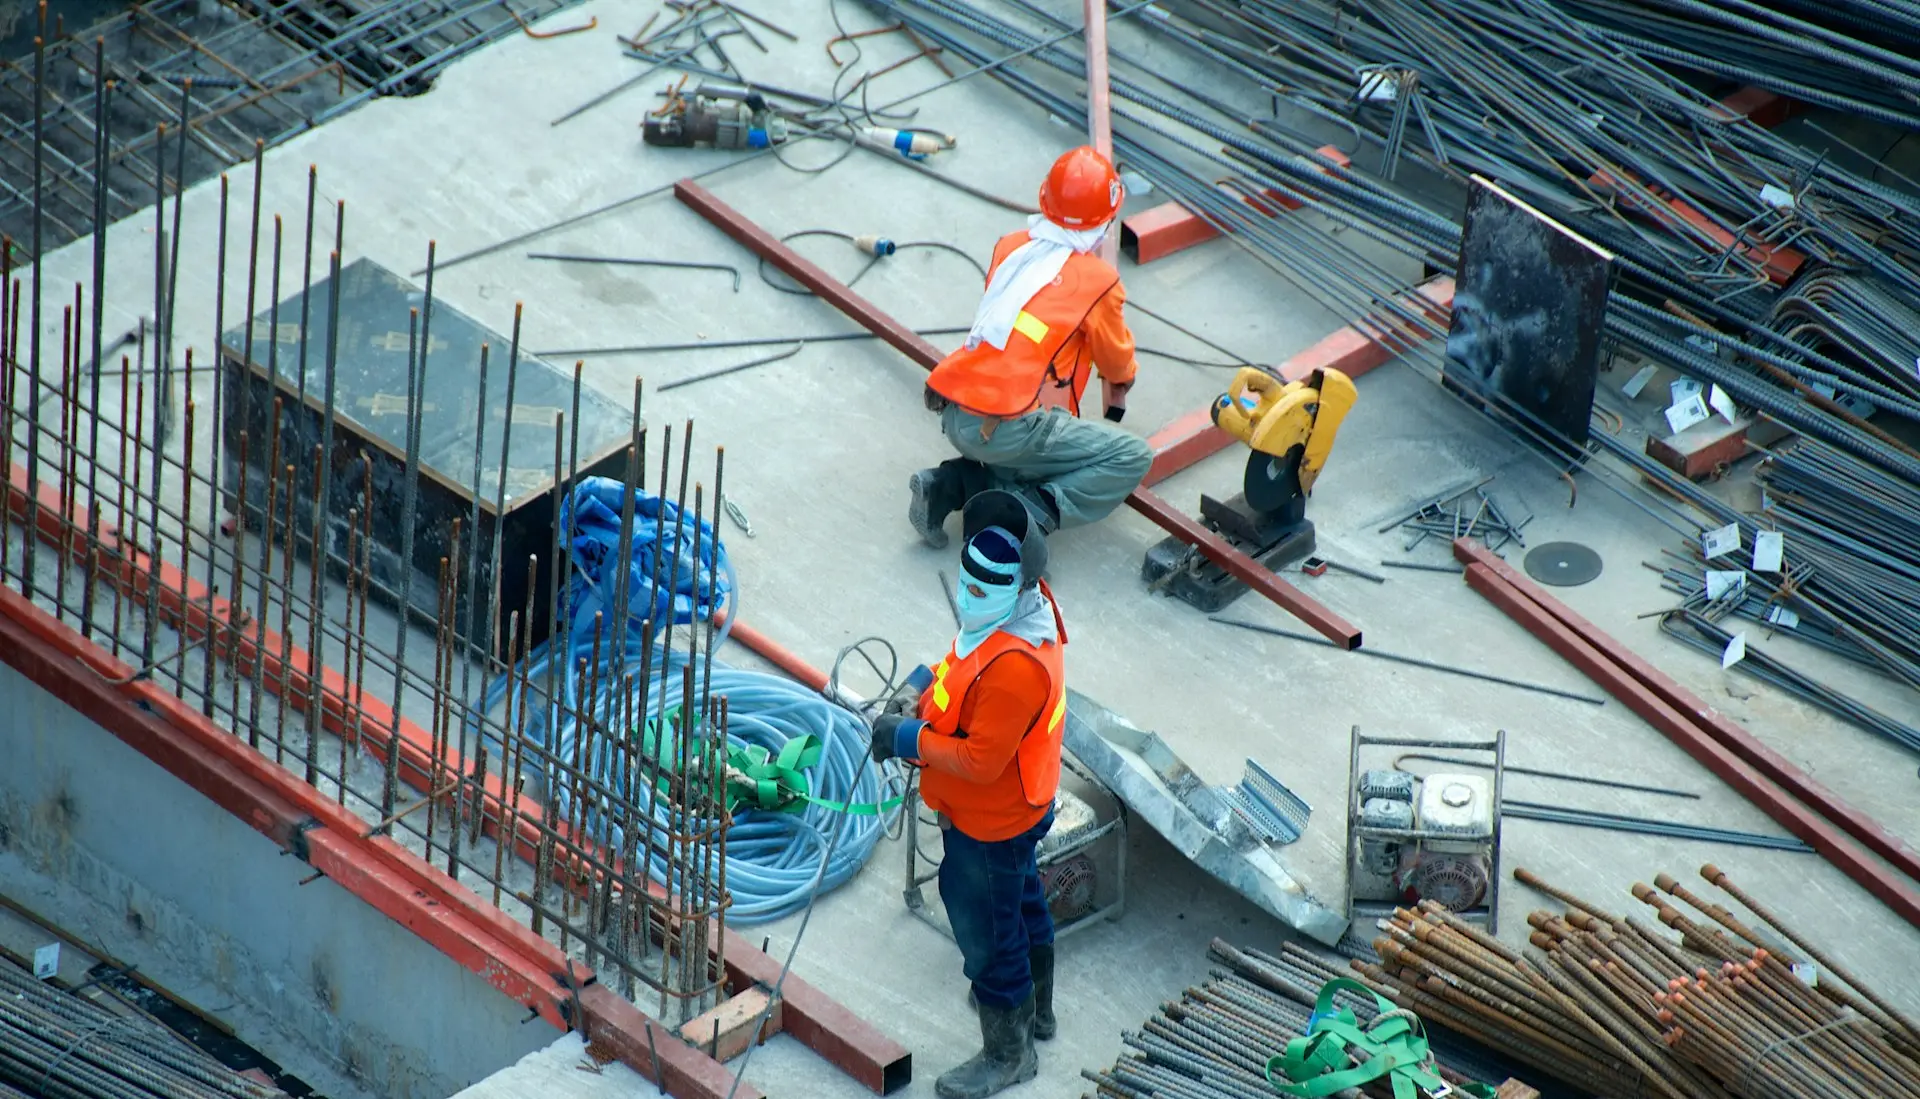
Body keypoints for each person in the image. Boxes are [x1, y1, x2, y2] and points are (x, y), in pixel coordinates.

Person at [872, 490, 1068, 1099]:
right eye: (968, 582)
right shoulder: (1016, 616)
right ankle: (1036, 1013)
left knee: (988, 933)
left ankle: (1010, 1054)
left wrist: (909, 736)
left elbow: (982, 761)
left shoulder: (1016, 667)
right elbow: (963, 669)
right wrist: (923, 689)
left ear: (1018, 585)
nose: (970, 596)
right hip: (1018, 808)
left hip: (993, 819)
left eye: (986, 589)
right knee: (1022, 901)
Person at [909, 145, 1152, 548]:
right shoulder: (1098, 281)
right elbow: (1115, 361)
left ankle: (946, 486)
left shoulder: (1012, 246)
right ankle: (1027, 515)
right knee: (1130, 456)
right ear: (1106, 220)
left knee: (1028, 450)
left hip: (956, 409)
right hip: (1006, 426)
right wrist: (1124, 378)